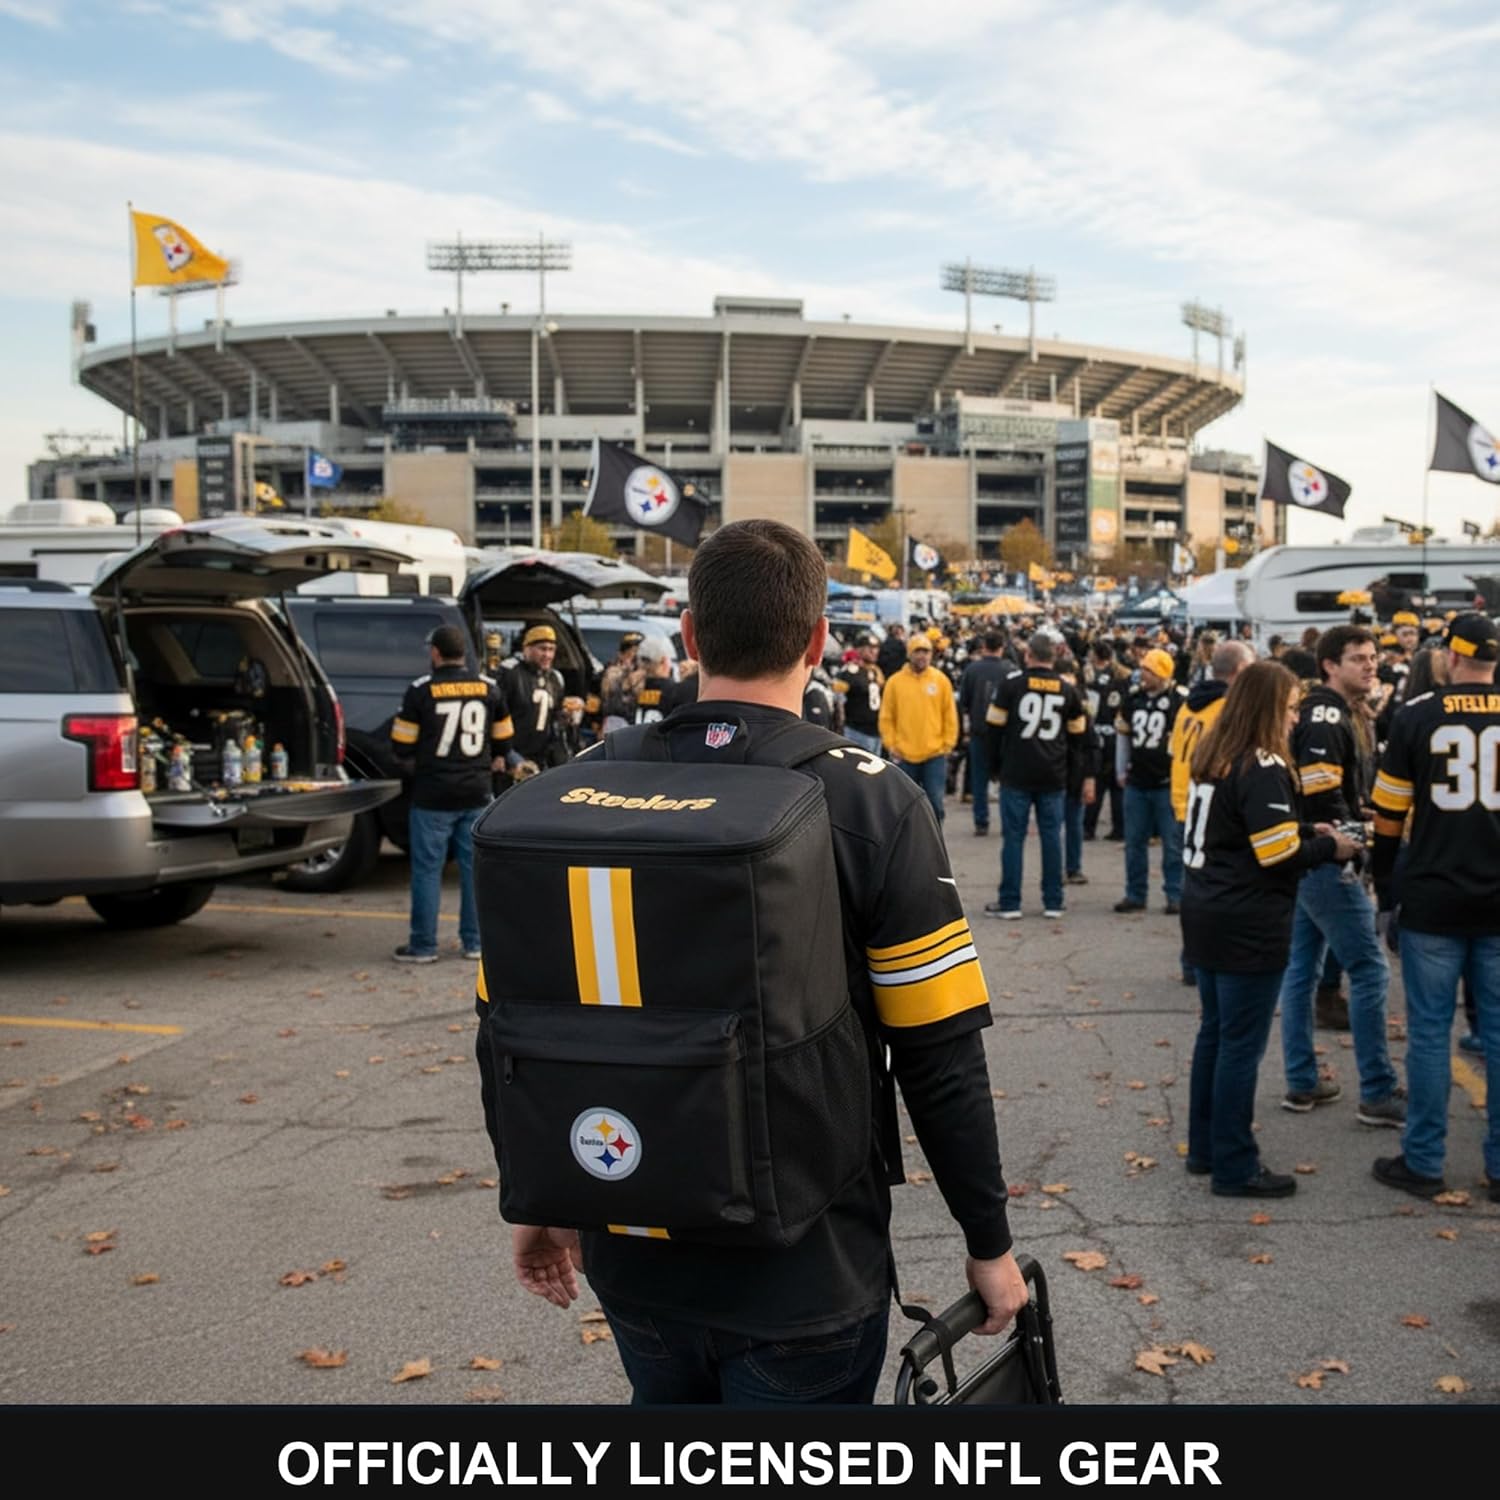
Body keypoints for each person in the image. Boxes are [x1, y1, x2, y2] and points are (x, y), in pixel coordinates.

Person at [492, 518, 1028, 1403]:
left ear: (691, 634)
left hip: (633, 1241)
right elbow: (940, 1055)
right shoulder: (872, 799)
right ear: (818, 640)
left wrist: (540, 1201)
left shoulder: (575, 790)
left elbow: (509, 1019)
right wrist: (988, 1242)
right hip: (805, 1268)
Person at [1180, 661, 1358, 1196]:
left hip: (1207, 906)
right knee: (1238, 1045)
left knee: (1215, 1035)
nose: (1296, 717)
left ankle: (1206, 1149)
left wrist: (1308, 827)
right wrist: (1331, 845)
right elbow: (1276, 853)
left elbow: (1246, 828)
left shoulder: (1217, 753)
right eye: (1289, 707)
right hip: (1245, 918)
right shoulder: (1261, 762)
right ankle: (1235, 1165)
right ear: (1265, 708)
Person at [1369, 614, 1500, 1201]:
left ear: (1451, 655)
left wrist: (1383, 884)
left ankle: (1424, 1160)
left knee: (1428, 1033)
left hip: (1432, 893)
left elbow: (1388, 815)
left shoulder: (1418, 713)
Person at [1276, 625, 1404, 1126]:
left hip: (1312, 856)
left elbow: (1338, 794)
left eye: (1373, 657)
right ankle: (1377, 1090)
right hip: (1328, 859)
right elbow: (1320, 795)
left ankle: (1302, 1081)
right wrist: (1351, 839)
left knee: (1301, 970)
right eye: (1358, 658)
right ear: (1329, 664)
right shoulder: (1327, 714)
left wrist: (1362, 811)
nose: (1371, 665)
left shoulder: (1342, 711)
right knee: (1371, 969)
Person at [389, 625, 512, 964]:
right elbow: (504, 739)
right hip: (476, 792)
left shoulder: (420, 691)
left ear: (435, 653)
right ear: (465, 654)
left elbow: (401, 744)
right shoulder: (489, 688)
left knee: (428, 871)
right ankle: (474, 944)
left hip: (432, 795)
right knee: (474, 871)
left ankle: (424, 946)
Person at [982, 632, 1090, 919]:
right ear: (1054, 657)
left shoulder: (1011, 685)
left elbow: (992, 731)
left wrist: (993, 767)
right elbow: (1079, 739)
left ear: (1028, 655)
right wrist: (1073, 773)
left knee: (1014, 839)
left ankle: (1010, 902)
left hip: (1016, 771)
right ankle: (1053, 901)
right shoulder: (1068, 691)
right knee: (1052, 837)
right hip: (1053, 773)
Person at [1169, 640, 1254, 984]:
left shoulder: (1188, 705)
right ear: (1238, 672)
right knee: (1213, 888)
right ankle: (1199, 961)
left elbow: (1173, 750)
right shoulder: (1228, 710)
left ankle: (1191, 959)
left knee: (1193, 886)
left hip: (1183, 800)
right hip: (1210, 805)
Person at [1113, 648, 1188, 914]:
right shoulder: (1132, 699)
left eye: (1148, 669)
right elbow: (1123, 737)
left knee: (1173, 844)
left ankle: (1175, 894)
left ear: (1162, 673)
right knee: (1134, 842)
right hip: (1138, 780)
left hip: (1168, 782)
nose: (1142, 674)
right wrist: (1120, 770)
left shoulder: (1181, 700)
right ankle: (1135, 893)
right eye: (1142, 668)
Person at [878, 632, 959, 825]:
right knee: (904, 807)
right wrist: (891, 744)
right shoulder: (894, 682)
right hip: (904, 755)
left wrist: (947, 744)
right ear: (909, 654)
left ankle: (935, 844)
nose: (922, 656)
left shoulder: (941, 681)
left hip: (935, 754)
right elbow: (887, 717)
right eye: (918, 652)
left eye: (926, 652)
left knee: (935, 805)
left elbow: (949, 715)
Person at [958, 631, 1020, 837]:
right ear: (1002, 647)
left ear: (984, 646)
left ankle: (981, 821)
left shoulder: (972, 669)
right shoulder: (1011, 670)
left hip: (980, 731)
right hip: (1005, 734)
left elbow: (963, 702)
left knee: (979, 778)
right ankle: (1007, 821)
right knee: (1007, 780)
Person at [503, 624, 571, 773]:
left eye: (551, 649)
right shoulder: (510, 673)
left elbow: (555, 716)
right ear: (526, 649)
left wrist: (566, 716)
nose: (547, 655)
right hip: (514, 755)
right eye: (542, 649)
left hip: (542, 756)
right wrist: (507, 754)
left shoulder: (555, 678)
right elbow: (496, 716)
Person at [1084, 640, 1128, 841]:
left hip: (1096, 734)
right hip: (1116, 734)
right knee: (1117, 786)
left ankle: (1088, 827)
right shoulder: (1122, 676)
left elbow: (1087, 707)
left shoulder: (1088, 676)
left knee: (1097, 783)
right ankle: (1119, 828)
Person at [832, 631, 885, 756]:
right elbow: (837, 699)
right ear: (859, 649)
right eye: (870, 648)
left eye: (876, 648)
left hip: (876, 731)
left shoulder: (876, 671)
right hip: (857, 730)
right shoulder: (850, 671)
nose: (874, 651)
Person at [598, 631, 646, 732]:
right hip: (617, 724)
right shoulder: (611, 672)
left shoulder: (646, 672)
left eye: (638, 654)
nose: (635, 660)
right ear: (621, 655)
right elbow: (610, 701)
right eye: (630, 654)